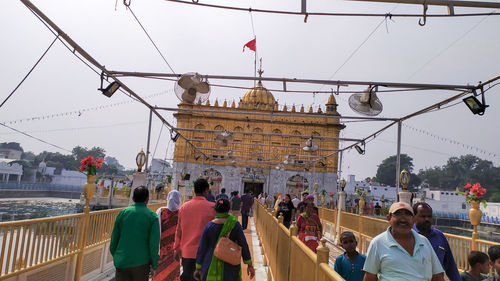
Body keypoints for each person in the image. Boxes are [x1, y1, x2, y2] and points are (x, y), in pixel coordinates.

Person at [363, 202, 444, 281]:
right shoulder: (378, 243)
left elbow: (437, 276)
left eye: (408, 215)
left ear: (413, 219)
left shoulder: (424, 242)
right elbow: (370, 277)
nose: (403, 219)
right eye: (397, 214)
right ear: (389, 218)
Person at [193, 198, 255, 281]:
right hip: (230, 264)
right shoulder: (234, 224)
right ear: (228, 209)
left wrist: (198, 267)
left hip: (210, 262)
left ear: (216, 209)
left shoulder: (209, 226)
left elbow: (202, 248)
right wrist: (249, 264)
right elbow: (243, 244)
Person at [110, 186, 160, 281]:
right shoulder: (152, 217)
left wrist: (117, 256)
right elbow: (154, 244)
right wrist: (154, 265)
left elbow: (114, 239)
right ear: (147, 199)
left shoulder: (123, 213)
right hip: (142, 263)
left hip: (122, 261)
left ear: (133, 198)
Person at [174, 179, 216, 281]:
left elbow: (179, 230)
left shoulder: (184, 207)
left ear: (194, 190)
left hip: (187, 252)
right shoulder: (213, 208)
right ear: (206, 190)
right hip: (206, 253)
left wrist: (176, 248)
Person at [413, 202, 461, 281]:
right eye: (423, 216)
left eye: (429, 216)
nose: (427, 219)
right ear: (414, 217)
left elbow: (450, 265)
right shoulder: (409, 236)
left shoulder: (439, 236)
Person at [154, 190, 182, 281]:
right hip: (175, 250)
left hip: (162, 249)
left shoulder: (161, 212)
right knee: (173, 272)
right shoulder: (181, 213)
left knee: (161, 271)